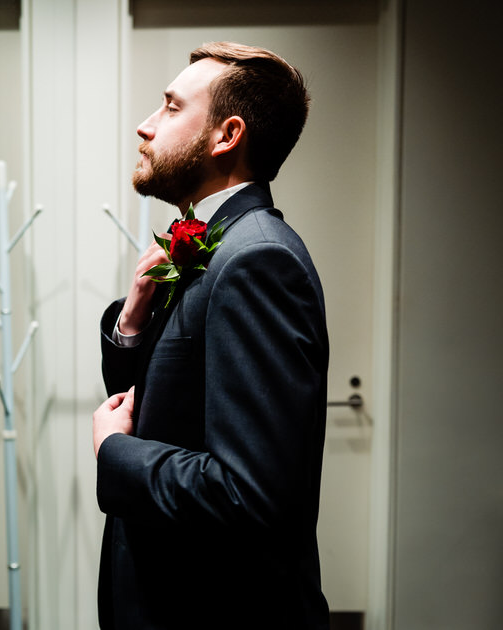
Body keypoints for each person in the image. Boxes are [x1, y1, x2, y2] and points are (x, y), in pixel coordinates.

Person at [93, 42, 330, 629]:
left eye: (171, 108)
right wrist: (131, 325)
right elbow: (171, 408)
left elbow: (247, 494)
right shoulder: (217, 245)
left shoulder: (257, 260)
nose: (146, 127)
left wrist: (112, 451)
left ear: (227, 135)